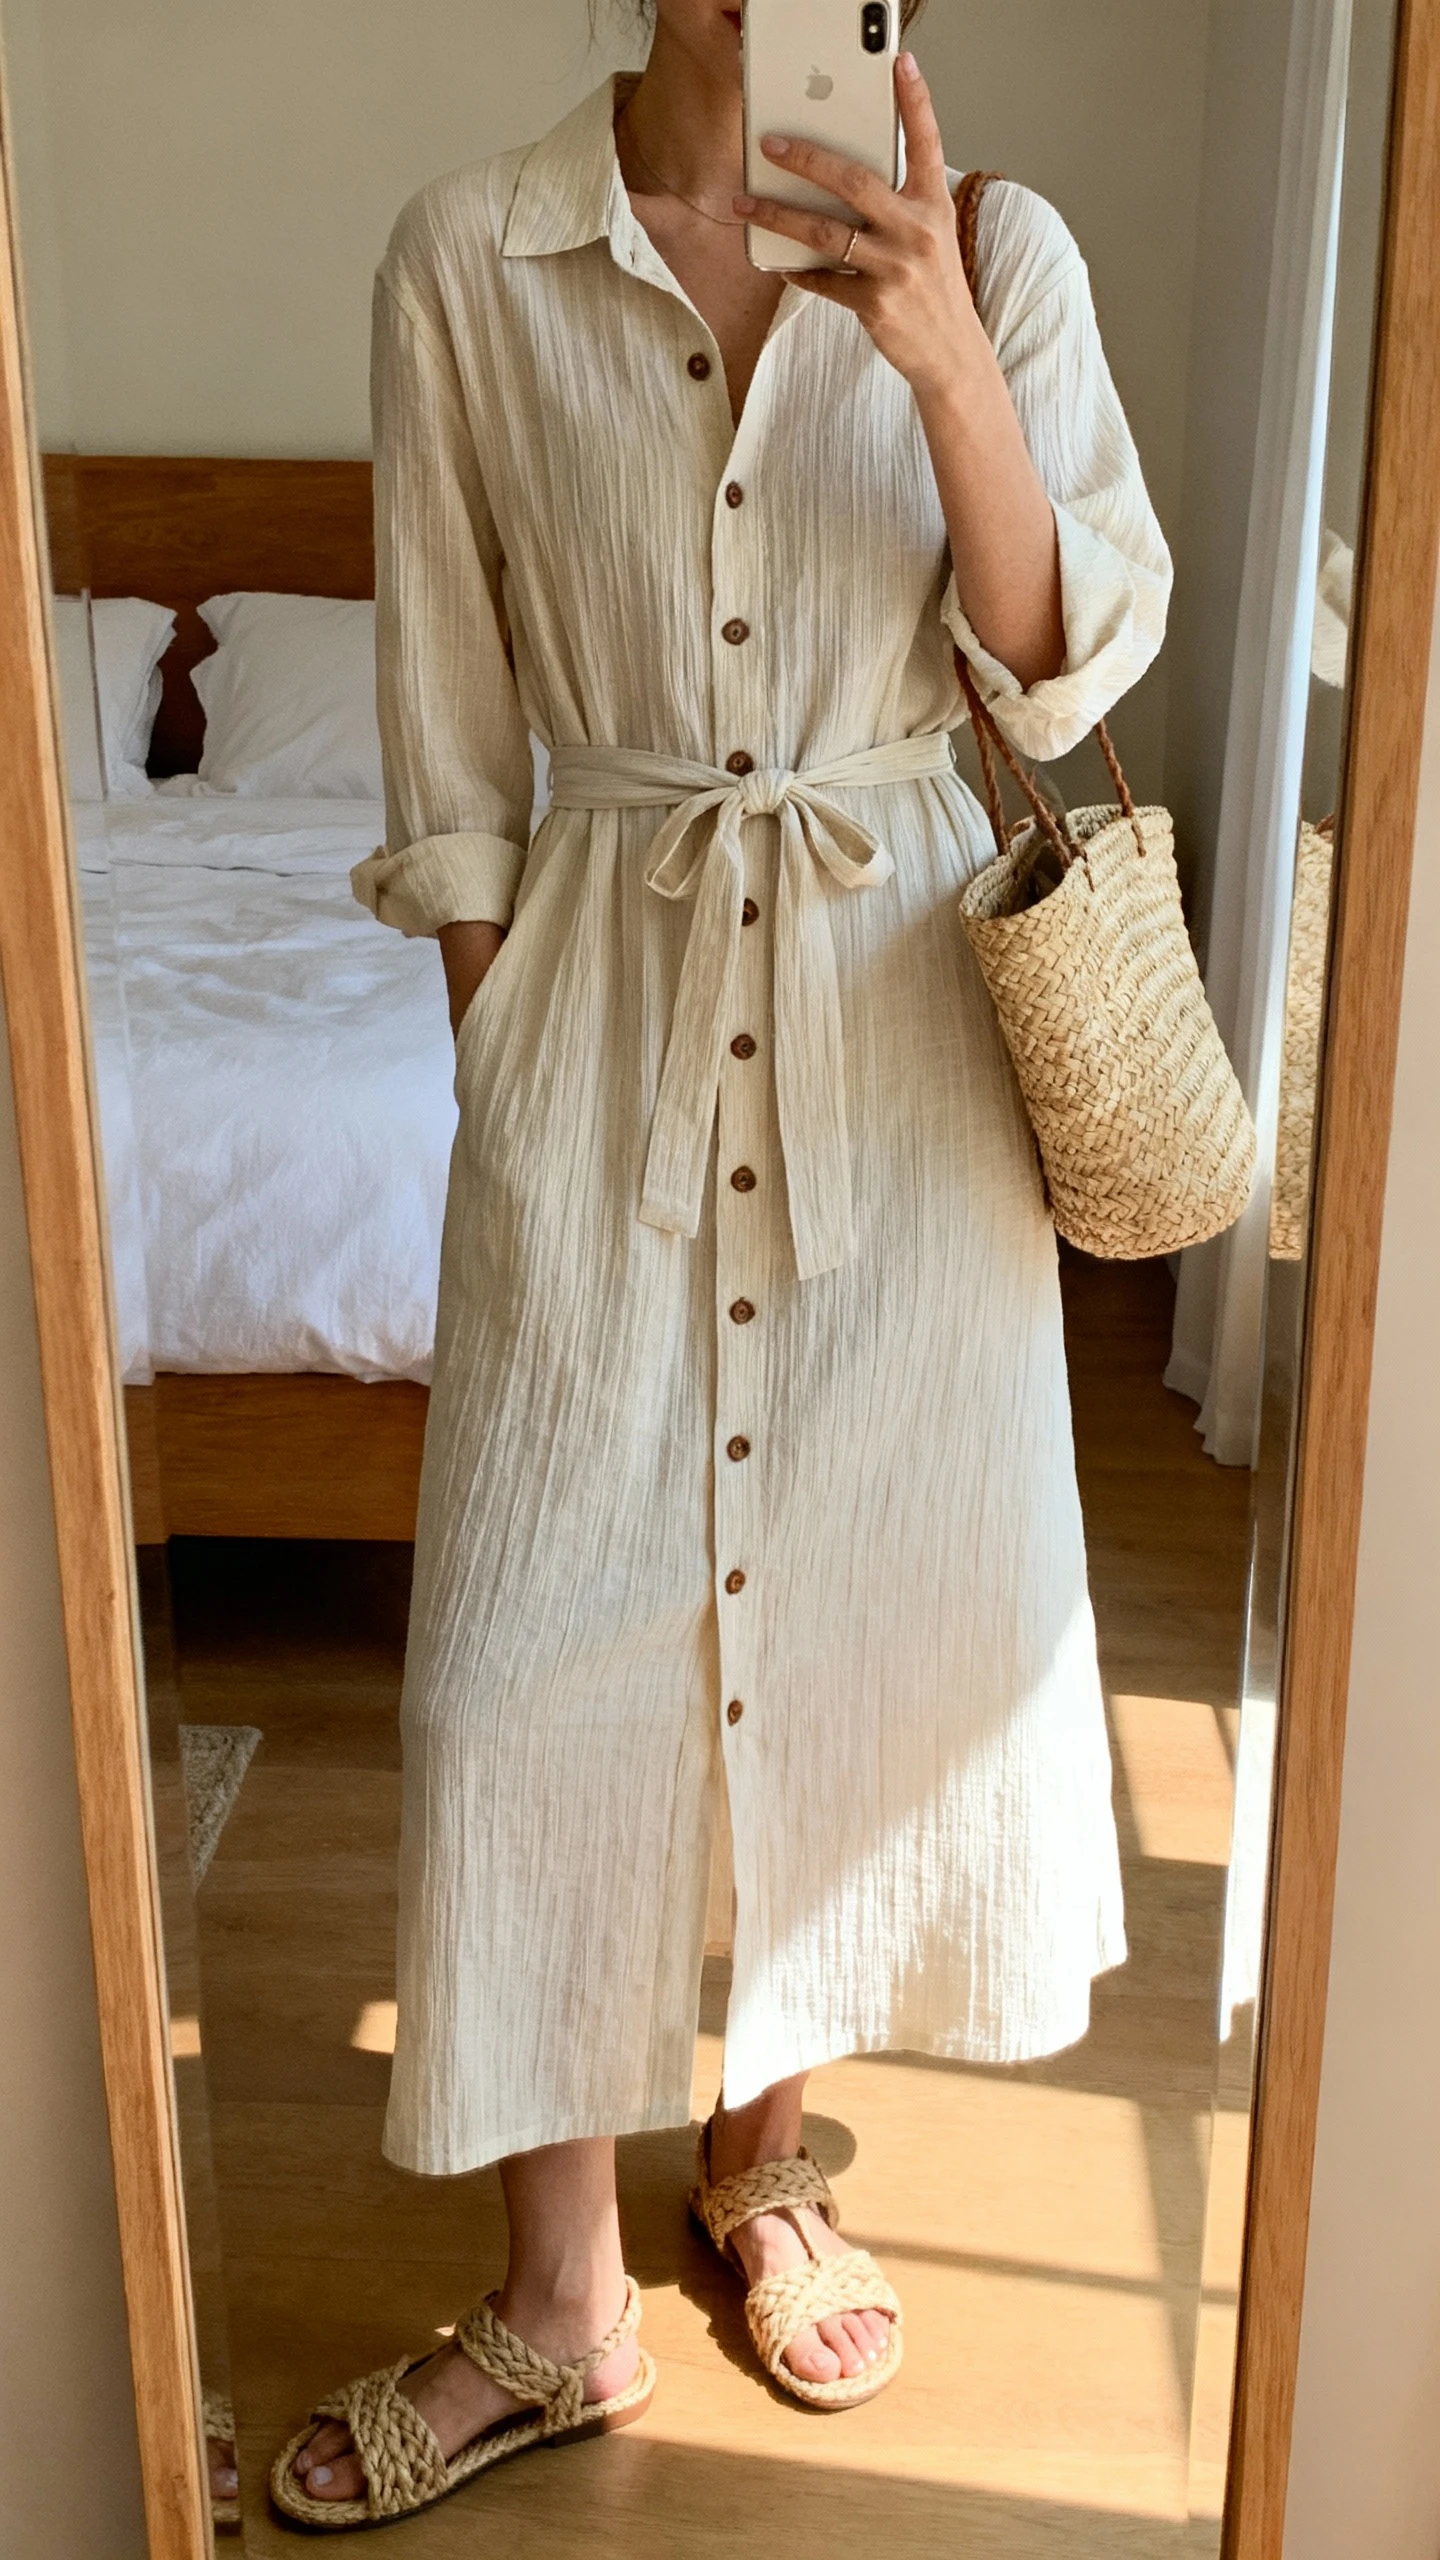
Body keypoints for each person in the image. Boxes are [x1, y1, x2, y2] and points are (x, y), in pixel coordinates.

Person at [272, 0, 1170, 2525]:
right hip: (609, 1038)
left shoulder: (1003, 249)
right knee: (521, 1676)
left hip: (902, 1062)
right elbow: (449, 758)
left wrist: (945, 362)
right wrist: (519, 1060)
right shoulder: (470, 256)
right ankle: (558, 2303)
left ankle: (761, 2150)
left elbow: (1068, 649)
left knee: (862, 1634)